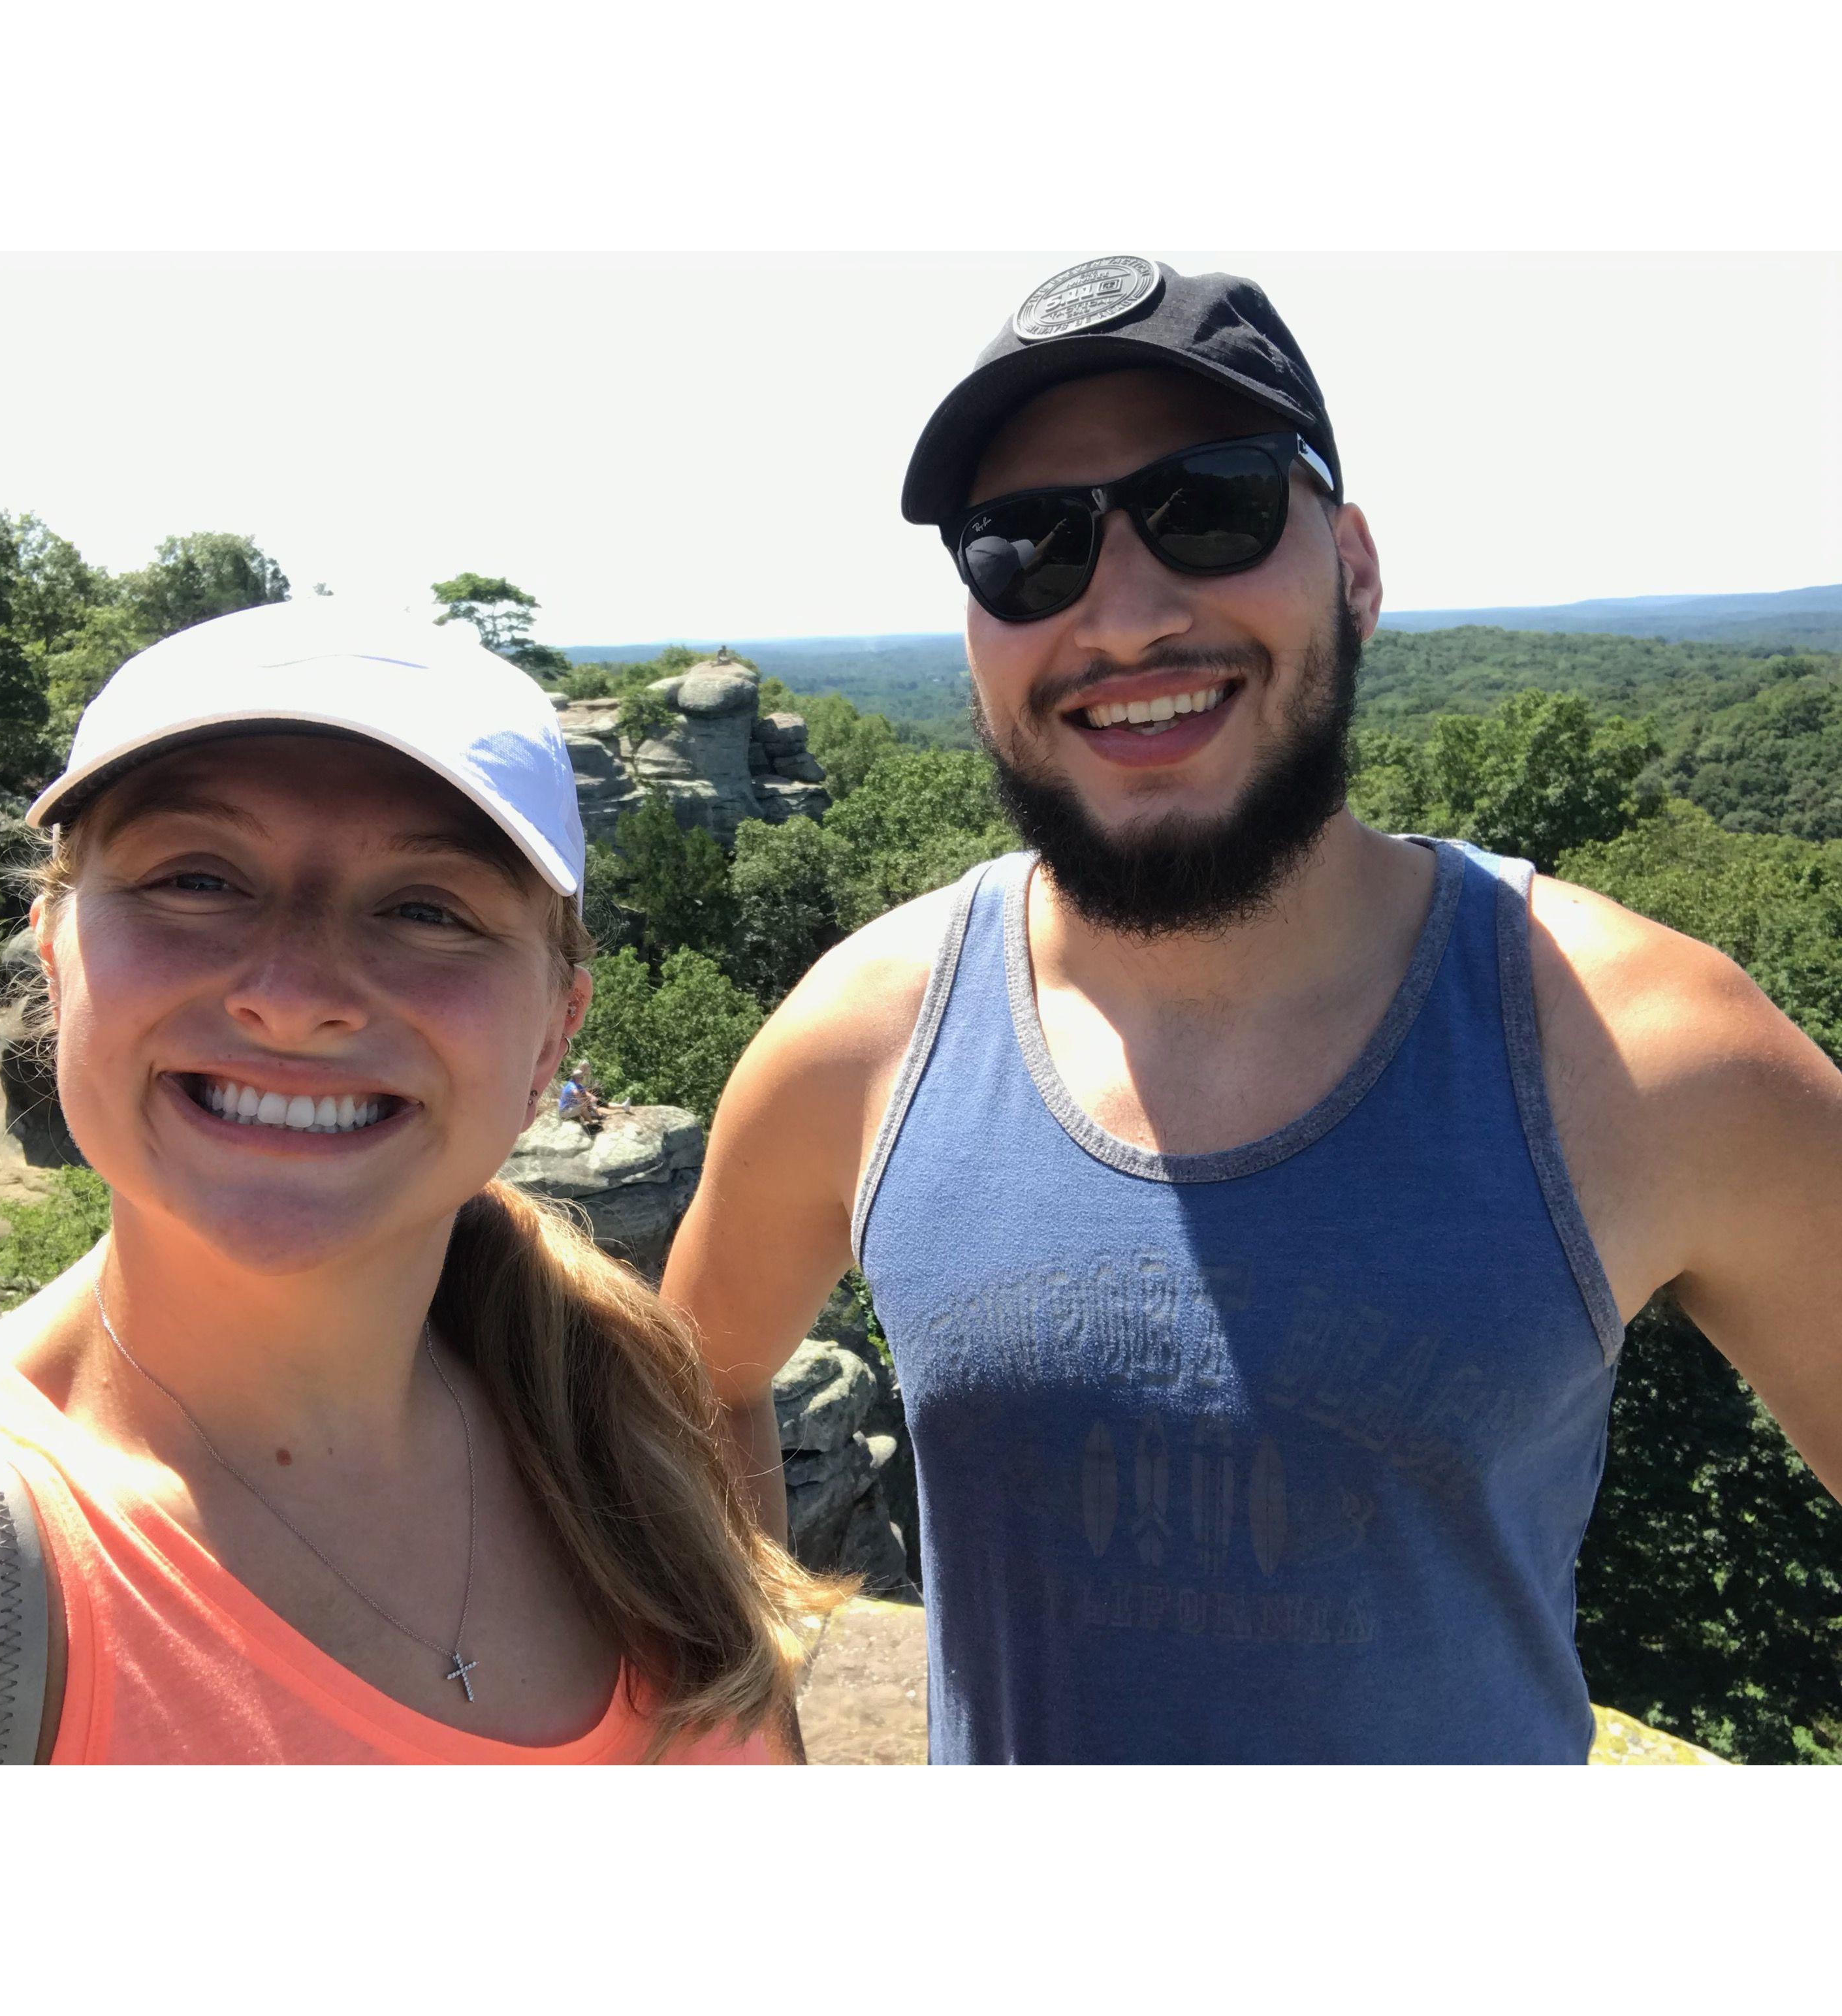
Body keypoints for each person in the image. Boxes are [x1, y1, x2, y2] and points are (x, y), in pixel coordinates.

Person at [661, 255, 1842, 1763]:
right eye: (1027, 546)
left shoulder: (1647, 1051)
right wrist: (729, 1745)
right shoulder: (864, 1036)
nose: (1124, 611)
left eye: (1206, 507)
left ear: (1350, 564)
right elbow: (684, 1387)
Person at [0, 601, 832, 1764]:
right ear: (54, 954)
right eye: (198, 879)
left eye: (426, 910)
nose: (296, 993)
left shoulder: (634, 1422)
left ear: (554, 1037)